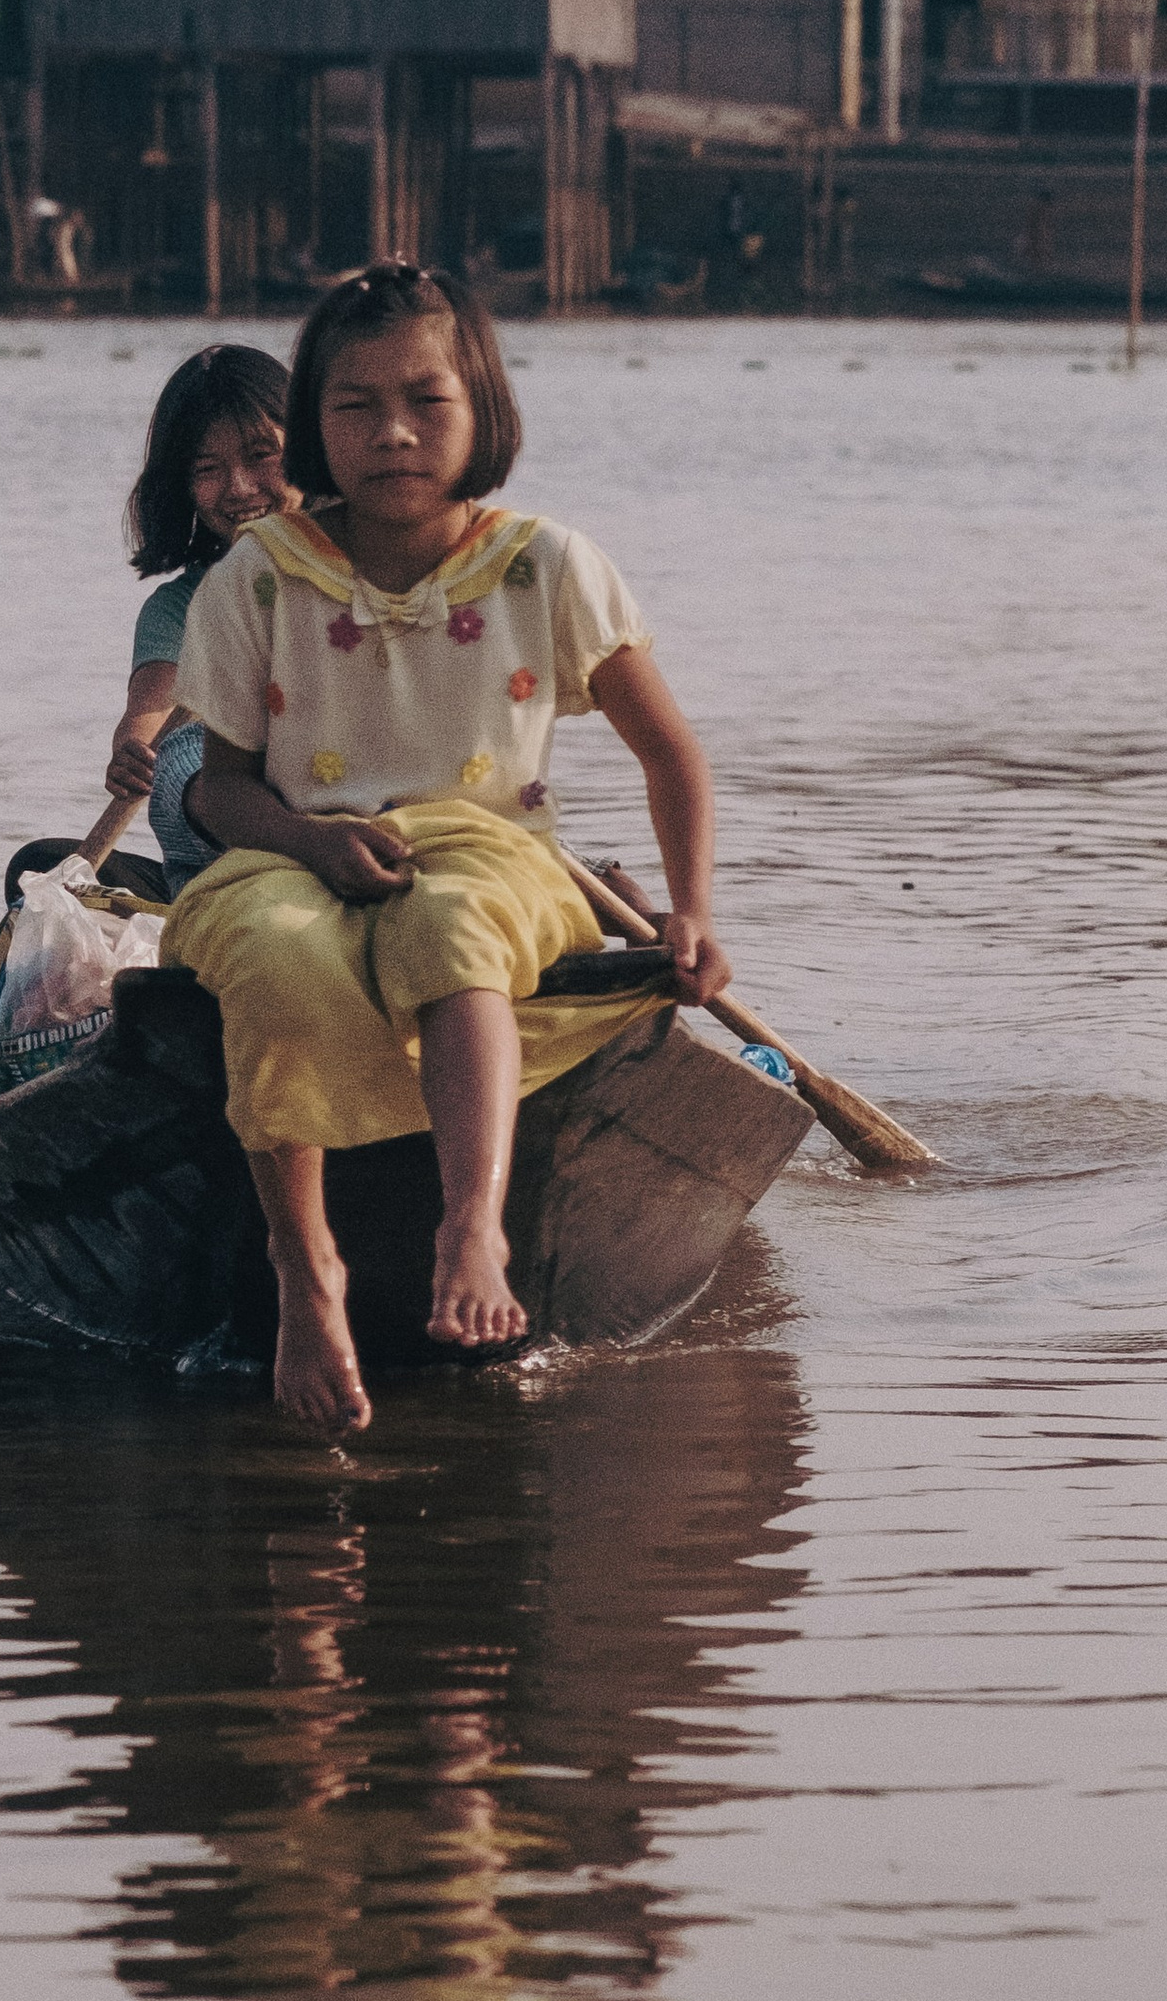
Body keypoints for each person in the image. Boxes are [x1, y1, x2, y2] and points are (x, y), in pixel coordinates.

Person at [164, 260, 730, 1438]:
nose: (393, 434)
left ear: (483, 411)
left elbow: (670, 753)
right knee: (272, 952)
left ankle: (471, 1225)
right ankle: (305, 1268)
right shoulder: (258, 577)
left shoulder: (546, 563)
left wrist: (688, 912)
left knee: (449, 922)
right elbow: (220, 790)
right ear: (315, 424)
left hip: (494, 850)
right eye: (356, 406)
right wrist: (312, 843)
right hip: (292, 852)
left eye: (427, 402)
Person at [105, 345, 297, 890]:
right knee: (39, 865)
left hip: (370, 825)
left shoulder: (368, 573)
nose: (239, 488)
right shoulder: (183, 608)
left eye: (261, 455)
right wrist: (132, 756)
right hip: (224, 867)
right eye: (208, 469)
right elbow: (151, 724)